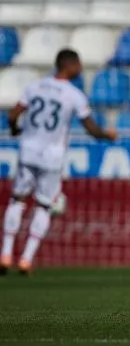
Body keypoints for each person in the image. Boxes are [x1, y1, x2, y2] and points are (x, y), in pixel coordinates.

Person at [2, 49, 117, 275]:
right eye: (78, 64)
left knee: (17, 200)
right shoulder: (73, 95)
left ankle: (5, 254)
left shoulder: (34, 87)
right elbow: (91, 129)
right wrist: (107, 135)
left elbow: (13, 115)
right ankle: (26, 259)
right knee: (44, 205)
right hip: (51, 156)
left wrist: (15, 130)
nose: (80, 68)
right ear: (69, 65)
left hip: (28, 151)